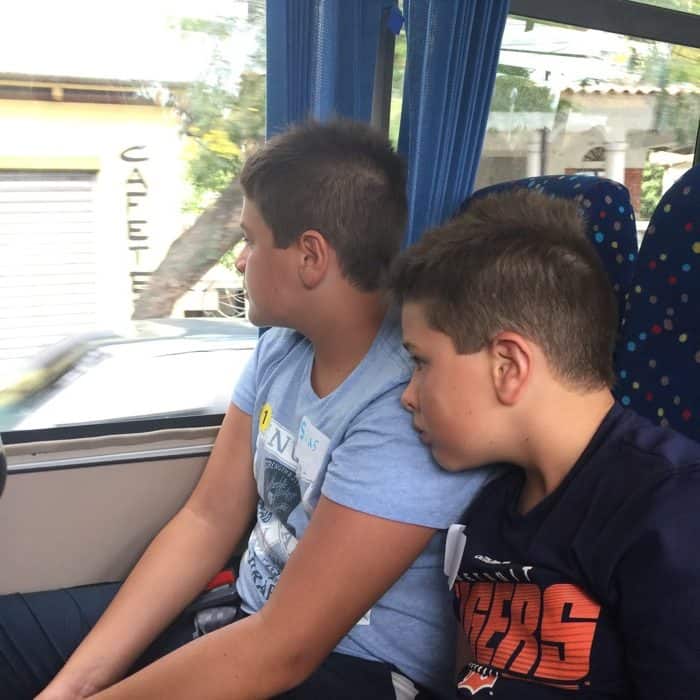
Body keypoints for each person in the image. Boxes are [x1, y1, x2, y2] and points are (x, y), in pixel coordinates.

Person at [0, 120, 494, 700]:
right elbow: (207, 520)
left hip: (350, 668)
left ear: (310, 256)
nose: (240, 261)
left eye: (251, 241)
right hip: (244, 616)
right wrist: (72, 685)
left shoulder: (405, 401)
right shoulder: (280, 347)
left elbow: (285, 649)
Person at [390, 188, 700, 699]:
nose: (407, 395)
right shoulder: (489, 507)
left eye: (421, 363)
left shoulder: (670, 514)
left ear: (508, 367)